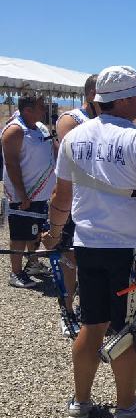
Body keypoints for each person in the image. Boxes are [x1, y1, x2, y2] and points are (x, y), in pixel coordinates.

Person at [42, 65, 136, 418]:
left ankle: (80, 404)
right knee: (126, 327)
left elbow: (60, 197)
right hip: (130, 249)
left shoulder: (73, 138)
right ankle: (127, 407)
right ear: (125, 99)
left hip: (88, 245)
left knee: (91, 323)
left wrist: (54, 234)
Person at [51, 74, 99, 336]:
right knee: (69, 258)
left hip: (99, 200)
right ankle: (67, 310)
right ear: (92, 94)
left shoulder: (104, 120)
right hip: (76, 197)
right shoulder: (71, 120)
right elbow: (73, 158)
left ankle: (92, 309)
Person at [1, 95, 55, 288]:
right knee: (19, 235)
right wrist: (21, 194)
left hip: (40, 194)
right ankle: (15, 273)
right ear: (27, 110)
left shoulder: (40, 128)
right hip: (22, 194)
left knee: (36, 231)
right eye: (41, 107)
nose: (45, 110)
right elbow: (11, 164)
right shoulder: (15, 130)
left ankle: (32, 263)